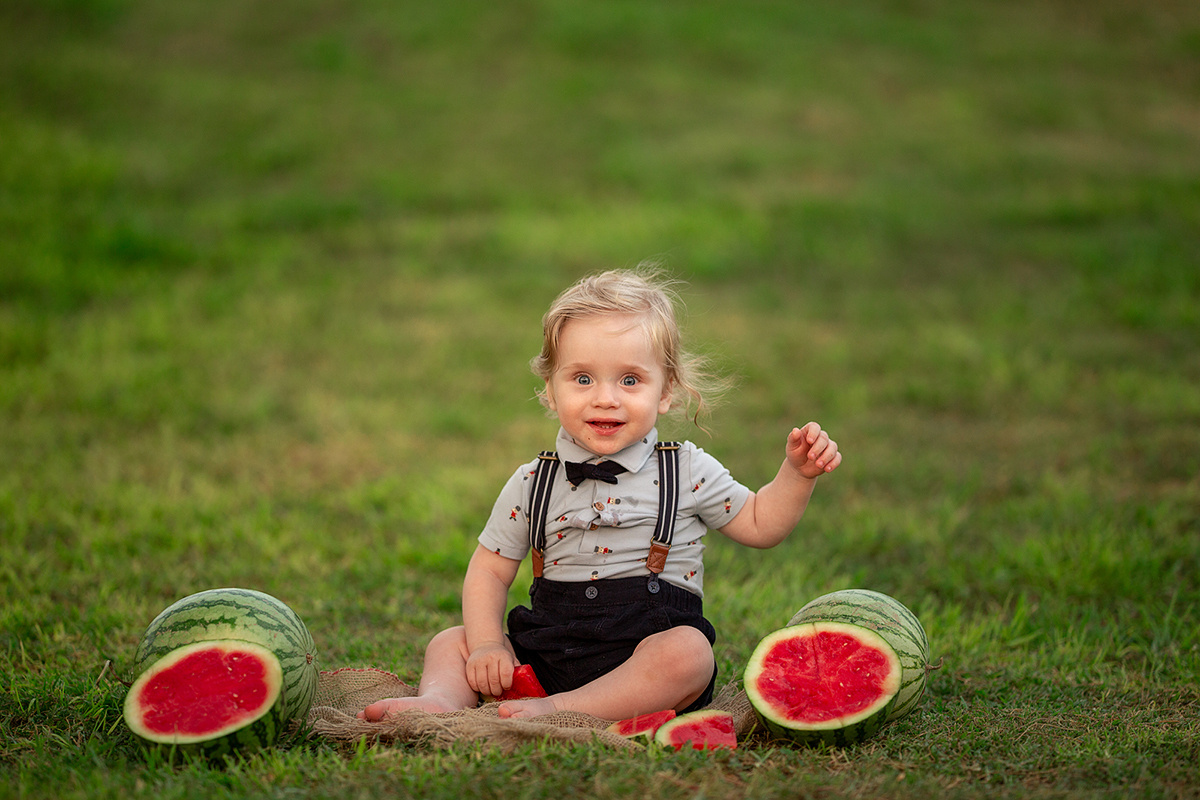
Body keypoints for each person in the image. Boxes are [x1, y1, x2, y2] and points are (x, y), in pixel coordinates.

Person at [360, 268, 841, 723]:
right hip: (546, 652)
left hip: (641, 656)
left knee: (689, 653)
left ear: (666, 391)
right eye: (583, 378)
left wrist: (797, 475)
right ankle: (439, 702)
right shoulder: (534, 480)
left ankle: (565, 710)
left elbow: (761, 523)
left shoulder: (685, 468)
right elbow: (488, 567)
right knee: (454, 640)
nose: (605, 398)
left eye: (630, 380)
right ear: (550, 389)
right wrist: (488, 645)